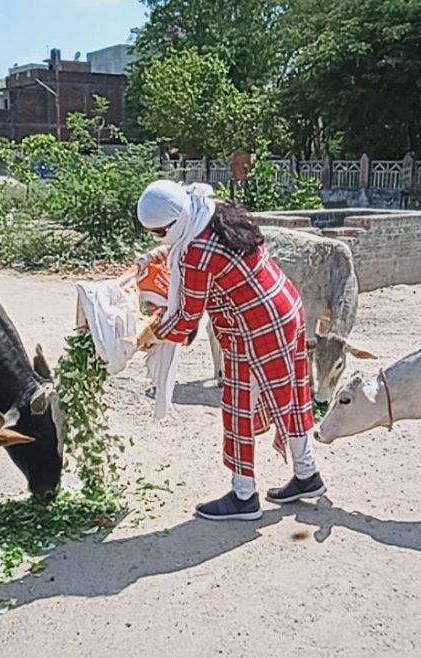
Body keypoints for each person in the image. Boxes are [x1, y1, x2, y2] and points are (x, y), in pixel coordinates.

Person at [134, 180, 326, 521]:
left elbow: (186, 319)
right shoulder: (214, 209)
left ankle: (243, 496)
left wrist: (149, 334)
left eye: (159, 233)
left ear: (176, 222)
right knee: (291, 395)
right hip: (284, 306)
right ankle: (307, 474)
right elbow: (191, 254)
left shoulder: (195, 254)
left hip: (253, 329)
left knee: (239, 408)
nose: (157, 238)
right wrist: (158, 256)